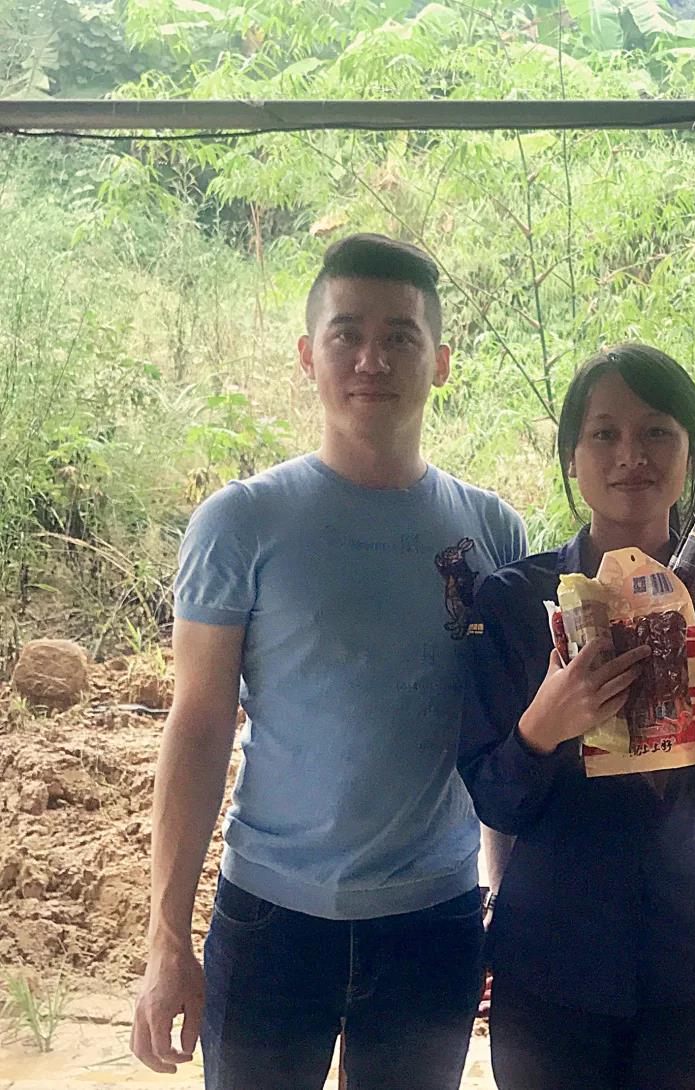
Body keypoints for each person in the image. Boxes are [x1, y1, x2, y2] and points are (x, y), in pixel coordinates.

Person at [130, 233, 526, 1090]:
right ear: (309, 355)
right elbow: (197, 727)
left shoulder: (493, 532)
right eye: (347, 333)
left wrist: (503, 896)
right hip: (271, 917)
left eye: (400, 337)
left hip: (435, 918)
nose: (371, 359)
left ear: (441, 363)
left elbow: (505, 734)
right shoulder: (241, 523)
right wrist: (166, 938)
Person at [459, 343, 695, 1090]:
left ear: (689, 453)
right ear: (571, 457)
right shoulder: (514, 602)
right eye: (604, 433)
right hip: (549, 970)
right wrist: (541, 728)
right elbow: (493, 801)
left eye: (657, 433)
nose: (631, 456)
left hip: (691, 967)